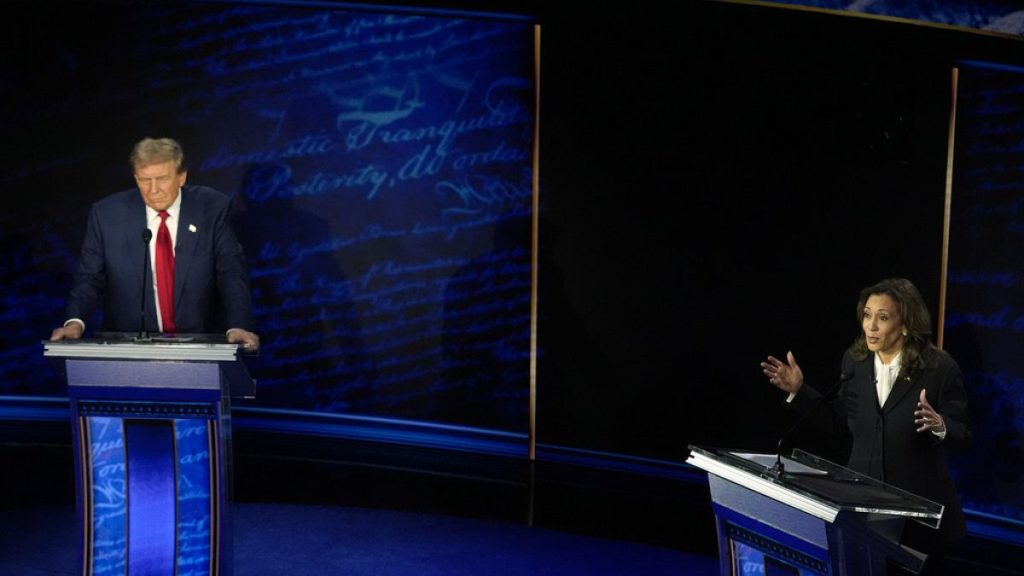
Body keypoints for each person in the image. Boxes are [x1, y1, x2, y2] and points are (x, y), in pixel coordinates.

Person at [760, 278, 970, 575]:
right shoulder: (854, 362)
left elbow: (965, 436)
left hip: (918, 520)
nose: (870, 326)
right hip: (862, 512)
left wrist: (941, 425)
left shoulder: (939, 369)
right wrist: (799, 391)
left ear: (905, 324)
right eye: (867, 315)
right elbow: (839, 424)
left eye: (882, 318)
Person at [49, 137, 259, 351]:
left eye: (162, 179)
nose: (153, 190)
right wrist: (75, 322)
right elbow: (89, 278)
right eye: (145, 180)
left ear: (182, 177)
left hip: (201, 344)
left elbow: (231, 273)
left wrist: (238, 326)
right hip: (128, 347)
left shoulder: (211, 209)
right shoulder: (107, 215)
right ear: (135, 177)